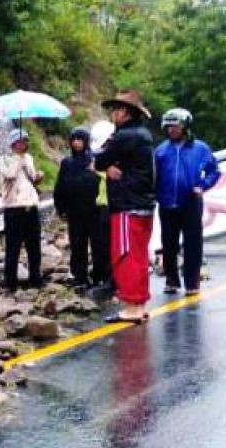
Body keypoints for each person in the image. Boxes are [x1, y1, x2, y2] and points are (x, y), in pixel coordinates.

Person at [94, 90, 157, 323]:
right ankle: (139, 304)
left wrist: (106, 166)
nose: (112, 114)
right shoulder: (143, 135)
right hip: (143, 205)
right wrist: (108, 166)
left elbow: (99, 159)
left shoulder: (125, 136)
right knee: (139, 256)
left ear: (125, 113)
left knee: (125, 256)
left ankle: (131, 305)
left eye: (115, 110)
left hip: (127, 205)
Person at [154, 108, 220, 296]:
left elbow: (214, 171)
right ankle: (171, 280)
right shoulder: (160, 151)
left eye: (175, 126)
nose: (171, 130)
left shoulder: (200, 148)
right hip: (166, 203)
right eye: (168, 127)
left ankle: (192, 282)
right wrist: (155, 194)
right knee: (168, 243)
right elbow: (153, 175)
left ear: (185, 127)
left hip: (191, 202)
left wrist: (203, 186)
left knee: (193, 243)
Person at [54, 127, 104, 290]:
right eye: (73, 139)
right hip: (74, 210)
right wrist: (60, 207)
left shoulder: (94, 160)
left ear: (86, 141)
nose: (76, 143)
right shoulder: (67, 163)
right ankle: (79, 276)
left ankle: (99, 275)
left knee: (98, 244)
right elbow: (60, 186)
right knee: (77, 244)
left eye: (80, 139)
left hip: (94, 210)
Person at [0, 128, 44, 290]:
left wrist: (38, 176)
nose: (25, 143)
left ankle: (35, 278)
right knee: (13, 246)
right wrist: (18, 159)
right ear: (14, 144)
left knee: (34, 246)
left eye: (26, 140)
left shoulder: (29, 158)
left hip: (30, 205)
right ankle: (10, 282)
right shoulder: (4, 159)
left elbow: (31, 177)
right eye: (22, 141)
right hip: (13, 208)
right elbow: (10, 174)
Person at [89, 121, 116, 290]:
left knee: (110, 243)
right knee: (100, 243)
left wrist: (99, 171)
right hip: (99, 205)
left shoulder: (118, 157)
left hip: (112, 205)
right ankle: (103, 275)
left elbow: (116, 176)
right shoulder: (99, 156)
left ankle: (112, 278)